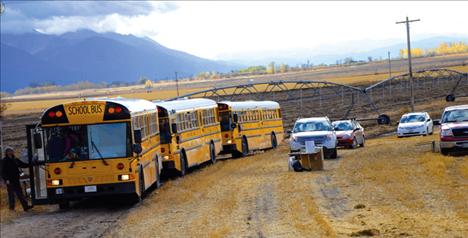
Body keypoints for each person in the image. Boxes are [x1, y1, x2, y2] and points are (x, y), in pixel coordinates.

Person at [1, 147, 33, 211]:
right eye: (10, 151)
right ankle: (12, 208)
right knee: (12, 194)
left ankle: (25, 207)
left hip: (16, 179)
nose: (12, 151)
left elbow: (22, 165)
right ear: (7, 152)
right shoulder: (4, 160)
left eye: (12, 150)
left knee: (20, 193)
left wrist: (31, 164)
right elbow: (2, 171)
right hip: (9, 180)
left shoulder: (15, 159)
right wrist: (6, 179)